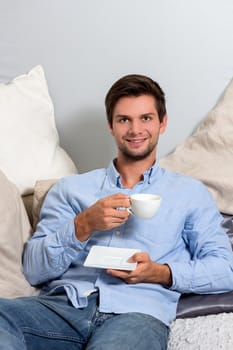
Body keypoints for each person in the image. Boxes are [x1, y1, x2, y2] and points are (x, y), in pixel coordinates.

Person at [0, 74, 233, 350]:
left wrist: (160, 273)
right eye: (124, 119)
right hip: (64, 307)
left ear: (163, 122)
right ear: (111, 125)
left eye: (145, 118)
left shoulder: (189, 194)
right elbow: (34, 270)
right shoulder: (70, 189)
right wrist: (82, 225)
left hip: (137, 314)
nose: (135, 129)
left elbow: (225, 268)